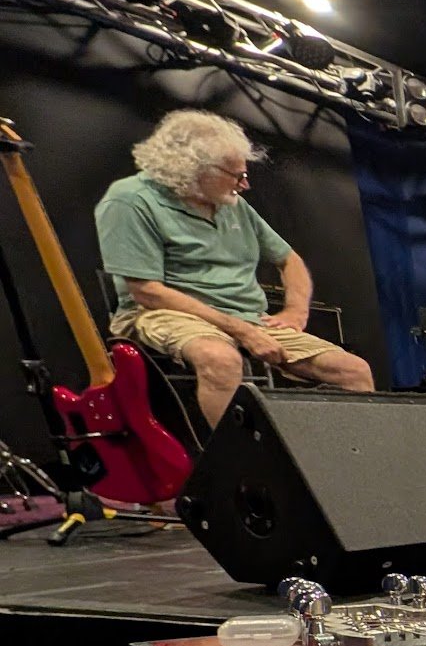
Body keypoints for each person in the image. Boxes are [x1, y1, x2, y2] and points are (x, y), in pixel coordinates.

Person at [95, 110, 374, 428]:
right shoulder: (130, 200)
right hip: (167, 313)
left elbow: (289, 259)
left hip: (248, 319)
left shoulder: (234, 205)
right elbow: (148, 291)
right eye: (235, 174)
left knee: (354, 370)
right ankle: (246, 470)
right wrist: (240, 330)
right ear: (193, 169)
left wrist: (295, 313)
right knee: (220, 359)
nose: (245, 183)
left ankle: (347, 463)